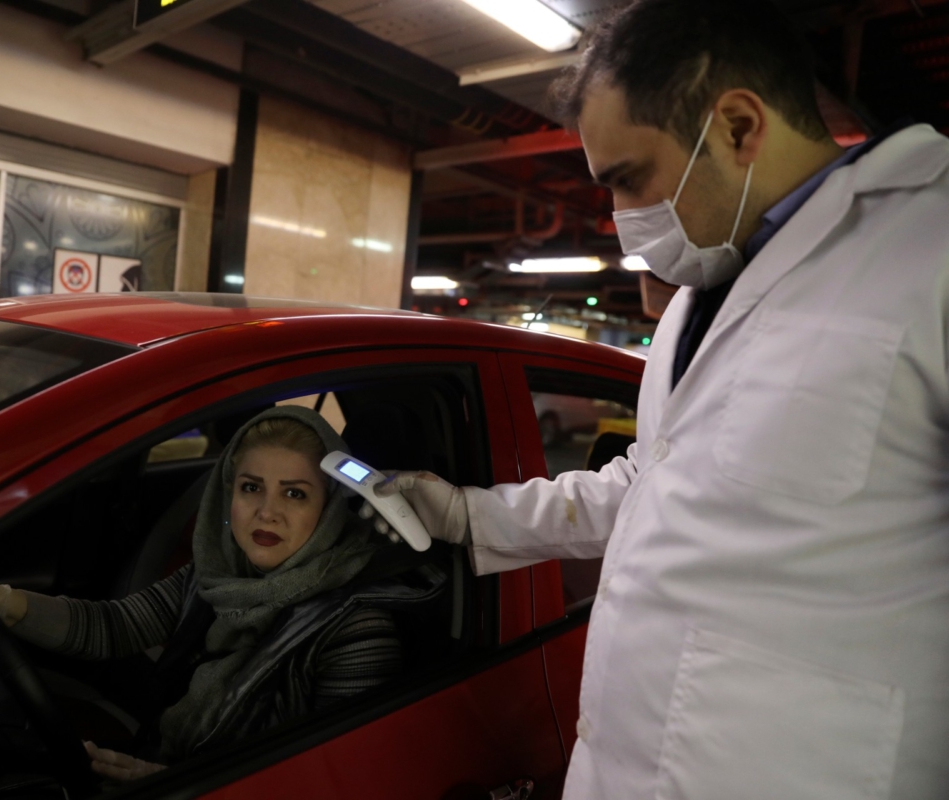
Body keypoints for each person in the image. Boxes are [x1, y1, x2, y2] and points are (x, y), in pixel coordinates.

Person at [365, 1, 949, 798]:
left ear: (740, 126)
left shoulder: (930, 251)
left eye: (629, 177)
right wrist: (468, 515)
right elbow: (653, 484)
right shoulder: (699, 296)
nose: (620, 220)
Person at [0, 406, 433, 782]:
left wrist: (173, 784)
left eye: (295, 494)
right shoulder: (214, 574)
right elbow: (113, 627)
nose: (266, 512)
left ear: (330, 510)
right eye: (251, 487)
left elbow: (334, 782)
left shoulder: (357, 631)